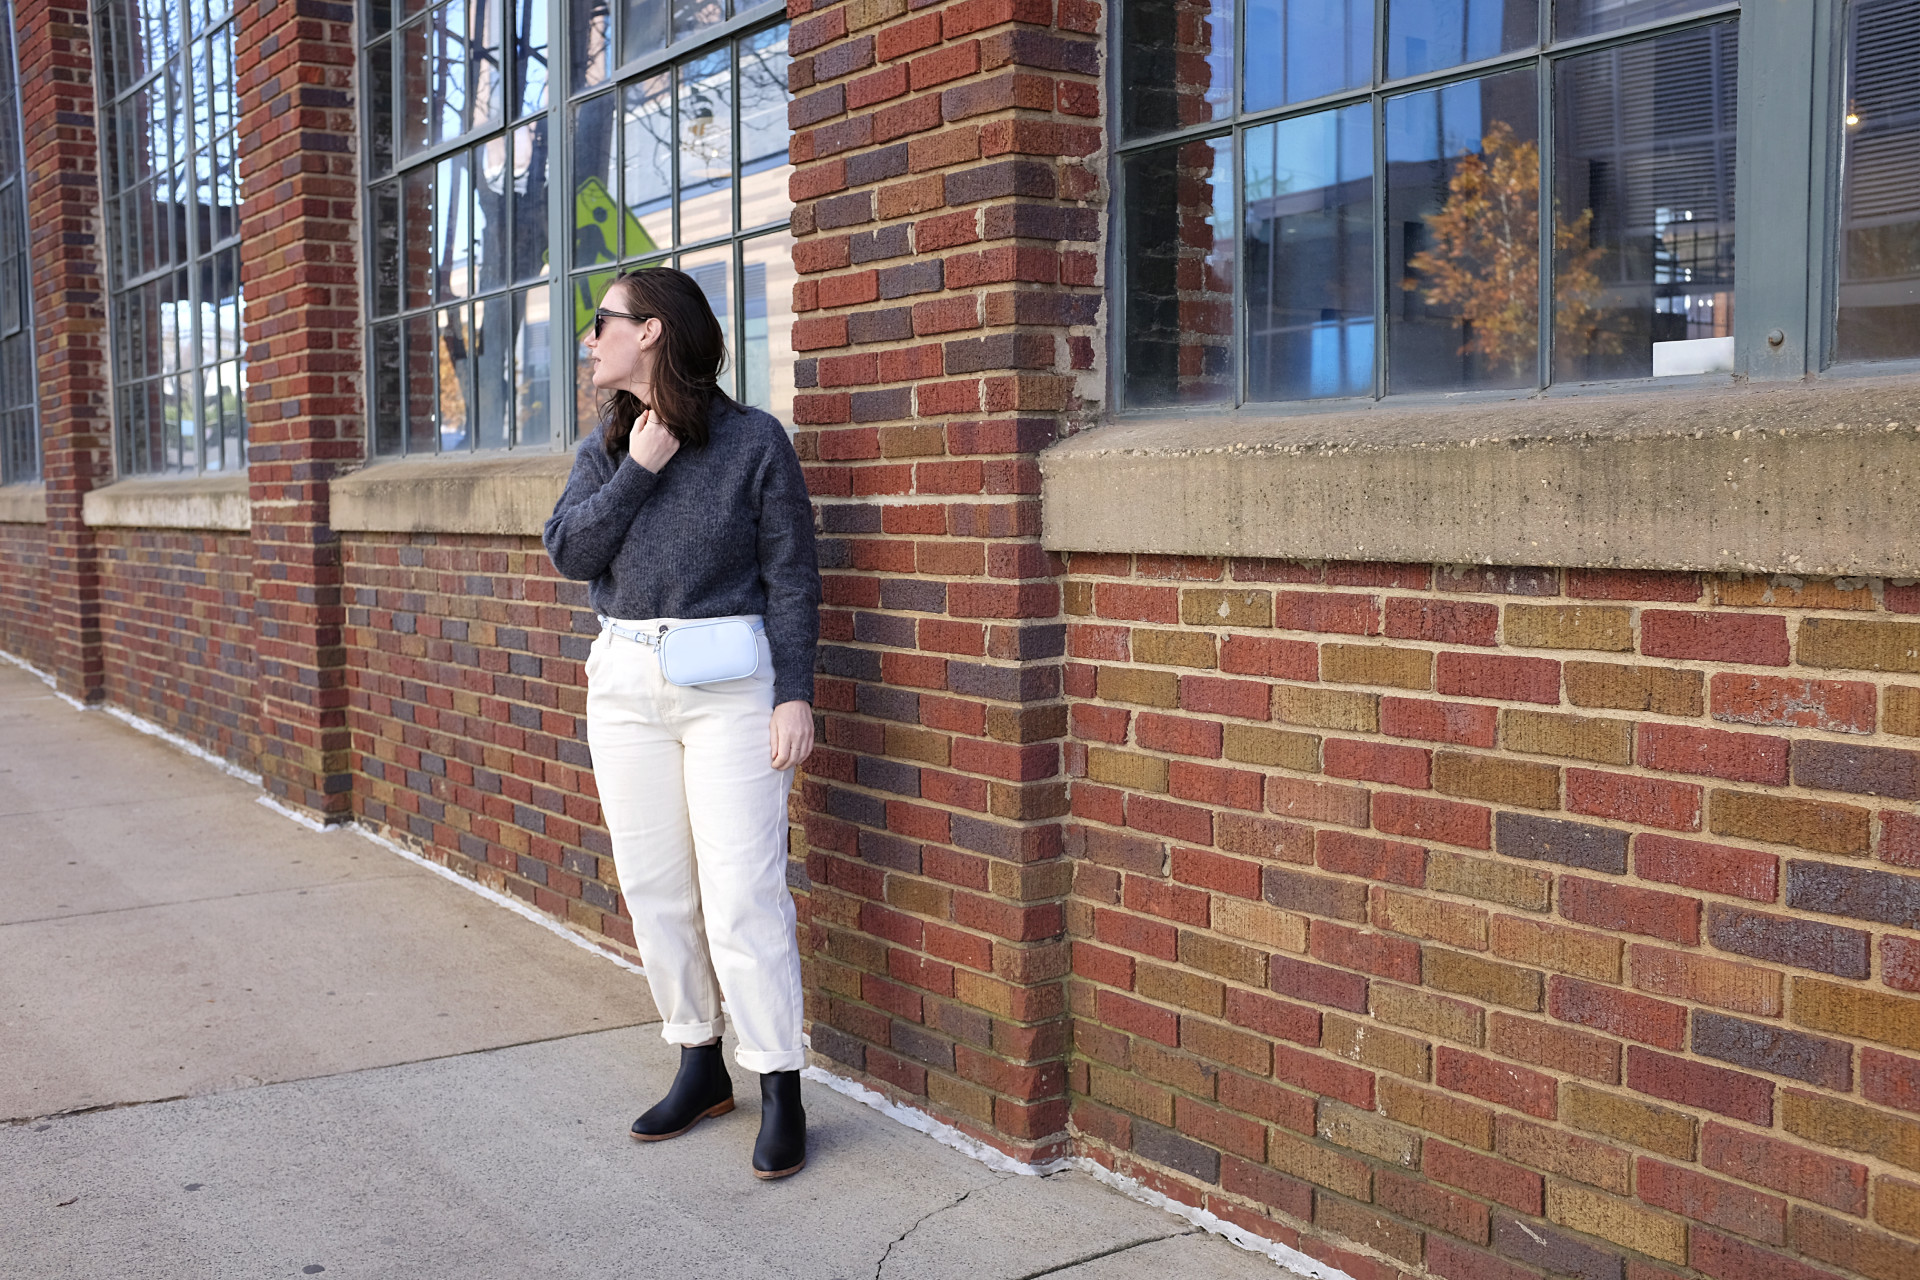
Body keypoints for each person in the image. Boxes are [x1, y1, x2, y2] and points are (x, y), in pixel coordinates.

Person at [542, 266, 821, 1179]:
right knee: (655, 886)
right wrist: (639, 468)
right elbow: (572, 552)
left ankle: (778, 1079)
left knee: (743, 891)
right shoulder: (609, 445)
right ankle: (699, 1059)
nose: (591, 339)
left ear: (653, 331)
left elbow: (792, 575)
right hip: (625, 685)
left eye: (602, 322)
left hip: (729, 688)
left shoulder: (753, 444)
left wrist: (794, 694)